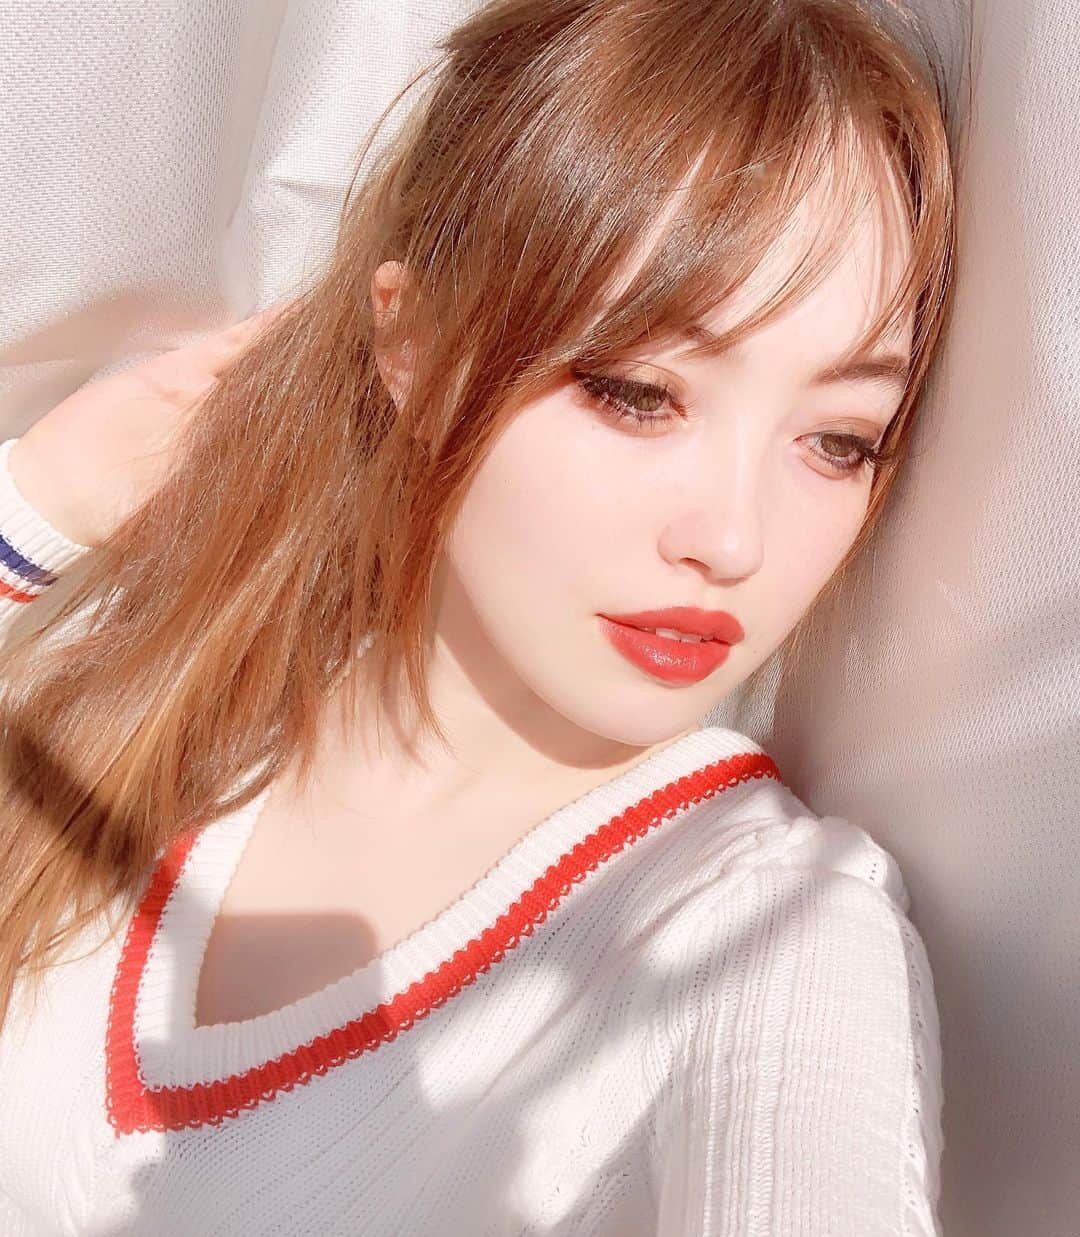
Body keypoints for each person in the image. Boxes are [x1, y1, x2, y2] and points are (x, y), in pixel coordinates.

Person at [0, 0, 957, 1232]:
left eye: (839, 440)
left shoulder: (763, 931)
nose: (734, 540)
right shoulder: (157, 688)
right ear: (413, 343)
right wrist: (38, 507)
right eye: (638, 391)